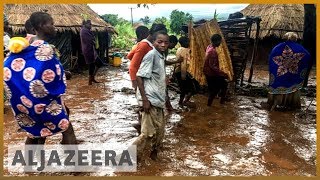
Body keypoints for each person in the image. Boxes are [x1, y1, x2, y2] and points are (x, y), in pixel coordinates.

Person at [3, 11, 77, 145]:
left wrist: (22, 89)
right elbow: (53, 74)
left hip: (26, 101)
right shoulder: (45, 49)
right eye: (51, 24)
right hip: (43, 100)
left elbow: (9, 67)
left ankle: (31, 164)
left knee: (35, 133)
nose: (54, 27)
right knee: (66, 128)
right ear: (42, 26)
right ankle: (74, 163)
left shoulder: (25, 46)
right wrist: (65, 75)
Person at [133, 30, 169, 161]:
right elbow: (139, 76)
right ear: (153, 42)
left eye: (166, 42)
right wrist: (144, 100)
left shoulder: (160, 56)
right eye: (160, 42)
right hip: (150, 100)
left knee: (160, 131)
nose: (163, 45)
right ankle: (127, 157)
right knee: (147, 133)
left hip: (158, 100)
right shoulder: (151, 55)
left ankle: (154, 155)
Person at [266, 32, 310, 111]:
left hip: (280, 73)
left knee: (280, 82)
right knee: (292, 85)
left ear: (285, 37)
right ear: (295, 38)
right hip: (292, 73)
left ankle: (276, 103)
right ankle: (291, 104)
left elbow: (271, 59)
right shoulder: (300, 48)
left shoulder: (277, 47)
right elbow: (307, 56)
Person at [203, 34, 229, 106]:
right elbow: (212, 66)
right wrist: (223, 73)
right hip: (211, 73)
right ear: (217, 41)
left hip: (207, 72)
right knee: (221, 86)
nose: (220, 43)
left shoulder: (209, 47)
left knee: (216, 88)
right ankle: (220, 103)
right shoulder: (213, 51)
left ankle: (210, 105)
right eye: (220, 41)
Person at [173, 36, 195, 106]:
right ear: (184, 42)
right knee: (192, 88)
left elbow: (178, 63)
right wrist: (184, 75)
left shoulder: (179, 49)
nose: (189, 43)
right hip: (182, 72)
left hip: (179, 71)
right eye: (187, 42)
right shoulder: (184, 50)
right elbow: (183, 64)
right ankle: (184, 102)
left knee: (183, 89)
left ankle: (181, 102)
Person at [80, 19, 100, 85]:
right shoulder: (84, 31)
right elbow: (91, 40)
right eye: (89, 24)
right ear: (85, 25)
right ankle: (90, 80)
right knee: (95, 64)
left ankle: (92, 79)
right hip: (88, 50)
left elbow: (92, 40)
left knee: (93, 65)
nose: (91, 25)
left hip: (90, 50)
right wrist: (93, 40)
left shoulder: (85, 30)